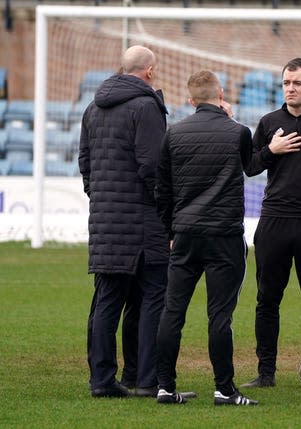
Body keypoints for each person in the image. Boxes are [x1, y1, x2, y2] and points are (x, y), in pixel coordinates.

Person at [154, 70, 257, 406]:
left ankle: (165, 387)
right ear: (221, 93)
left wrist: (171, 231)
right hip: (223, 235)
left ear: (190, 99)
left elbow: (162, 191)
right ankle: (224, 389)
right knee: (220, 316)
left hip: (184, 234)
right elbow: (252, 165)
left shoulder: (174, 134)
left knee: (173, 311)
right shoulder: (238, 132)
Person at [241, 58, 301, 388]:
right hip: (275, 221)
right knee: (267, 298)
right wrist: (272, 149)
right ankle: (265, 373)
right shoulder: (269, 122)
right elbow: (251, 166)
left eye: (297, 83)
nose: (290, 89)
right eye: (286, 83)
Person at [79, 45, 169, 398]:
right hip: (143, 220)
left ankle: (102, 380)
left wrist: (100, 198)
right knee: (151, 297)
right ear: (149, 71)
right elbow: (151, 166)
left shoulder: (92, 107)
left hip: (104, 219)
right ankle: (147, 379)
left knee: (107, 300)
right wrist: (166, 207)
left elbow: (85, 163)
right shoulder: (146, 106)